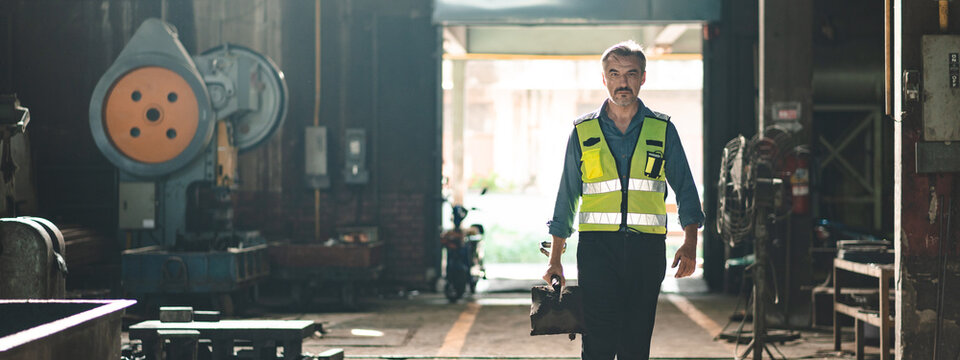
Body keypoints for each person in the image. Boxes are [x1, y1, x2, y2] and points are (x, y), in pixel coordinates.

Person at [543, 40, 705, 360]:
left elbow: (686, 189)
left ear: (643, 77)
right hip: (597, 251)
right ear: (604, 79)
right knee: (599, 342)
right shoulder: (583, 132)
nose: (623, 82)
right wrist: (555, 257)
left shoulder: (662, 130)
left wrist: (691, 243)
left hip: (646, 252)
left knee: (635, 341)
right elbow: (567, 196)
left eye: (631, 74)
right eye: (614, 73)